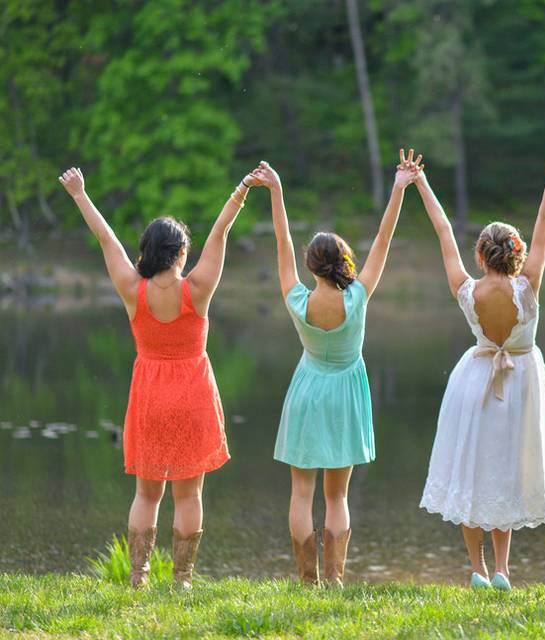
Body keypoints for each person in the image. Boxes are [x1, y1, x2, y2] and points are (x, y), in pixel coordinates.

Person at [58, 166, 251, 588]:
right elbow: (219, 235)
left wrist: (80, 195)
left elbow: (106, 239)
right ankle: (182, 580)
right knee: (189, 494)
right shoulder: (196, 289)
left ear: (147, 250)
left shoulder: (133, 289)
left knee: (147, 494)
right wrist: (240, 191)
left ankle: (138, 577)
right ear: (180, 253)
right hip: (193, 394)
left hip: (149, 396)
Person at [417, 129, 545, 590]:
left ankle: (476, 568)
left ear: (480, 254)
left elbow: (443, 230)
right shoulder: (527, 285)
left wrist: (421, 183)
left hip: (474, 380)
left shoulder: (467, 289)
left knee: (472, 470)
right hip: (524, 382)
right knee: (507, 469)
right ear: (518, 254)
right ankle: (503, 569)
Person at [249, 152, 421, 587]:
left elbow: (282, 244)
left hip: (307, 389)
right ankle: (336, 579)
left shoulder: (298, 300)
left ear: (312, 266)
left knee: (301, 493)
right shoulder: (357, 297)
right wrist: (399, 188)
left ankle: (308, 581)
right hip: (346, 391)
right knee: (337, 493)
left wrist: (278, 193)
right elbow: (383, 239)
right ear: (343, 262)